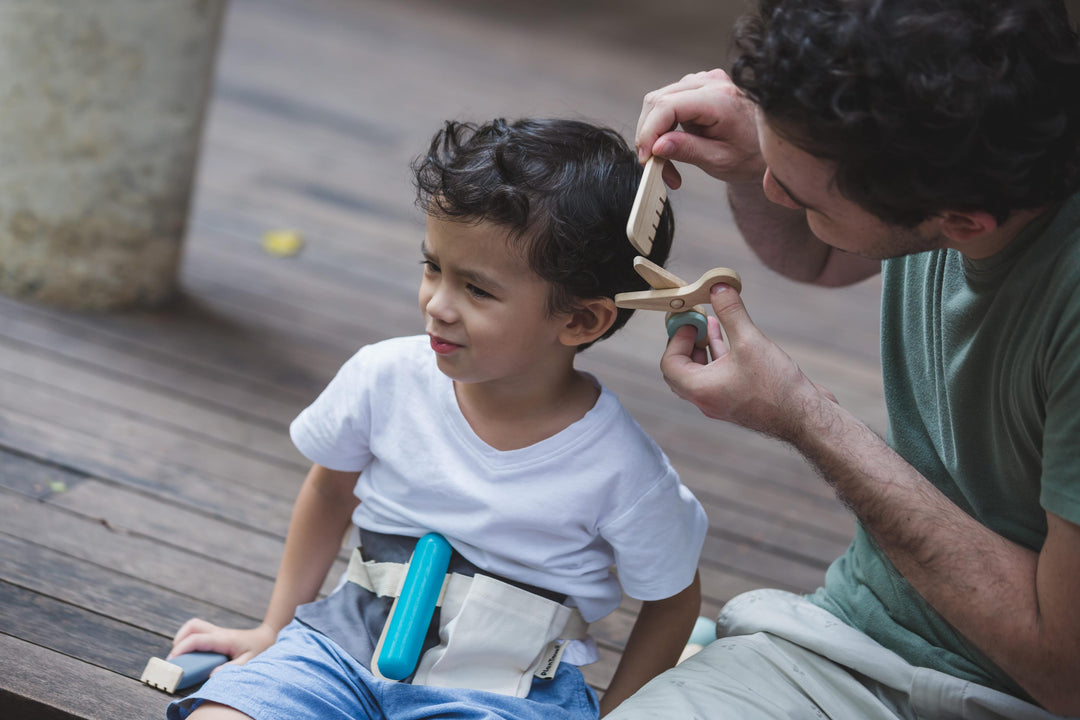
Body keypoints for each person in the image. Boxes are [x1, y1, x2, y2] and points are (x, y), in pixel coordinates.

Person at [609, 0, 1080, 718]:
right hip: (851, 639)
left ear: (960, 222)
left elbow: (1064, 672)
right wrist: (764, 154)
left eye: (801, 195)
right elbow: (827, 254)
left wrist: (804, 416)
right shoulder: (967, 158)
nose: (773, 187)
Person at [164, 117, 708, 720]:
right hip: (338, 651)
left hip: (504, 691)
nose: (437, 305)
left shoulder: (623, 469)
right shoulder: (384, 377)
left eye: (477, 290)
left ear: (581, 321)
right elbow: (328, 489)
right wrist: (274, 628)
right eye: (433, 268)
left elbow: (672, 601)